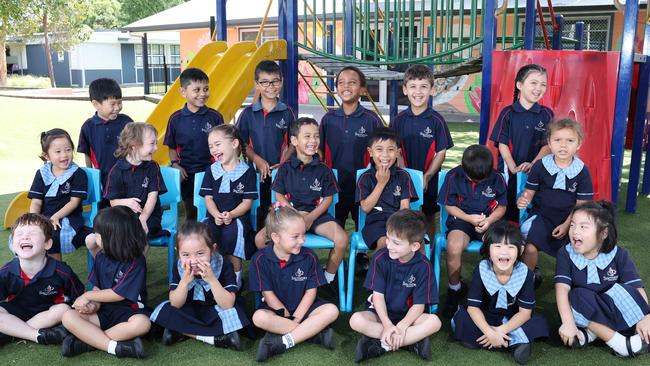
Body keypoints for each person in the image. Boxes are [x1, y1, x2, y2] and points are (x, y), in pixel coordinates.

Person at [256, 117, 347, 286]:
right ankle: (277, 273)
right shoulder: (285, 168)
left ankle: (327, 278)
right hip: (290, 215)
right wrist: (295, 215)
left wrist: (310, 217)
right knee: (260, 239)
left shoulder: (324, 170)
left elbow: (328, 198)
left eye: (316, 136)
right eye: (307, 136)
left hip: (316, 216)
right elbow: (279, 195)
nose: (313, 141)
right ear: (294, 140)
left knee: (341, 239)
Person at [555, 201, 650, 357]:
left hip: (614, 311)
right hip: (582, 313)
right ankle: (621, 344)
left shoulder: (619, 254)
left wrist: (646, 317)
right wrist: (567, 323)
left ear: (603, 233)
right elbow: (561, 288)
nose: (575, 232)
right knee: (577, 295)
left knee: (622, 290)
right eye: (572, 225)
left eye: (583, 227)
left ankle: (591, 335)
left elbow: (636, 288)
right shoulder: (565, 254)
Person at [452, 221, 548, 365]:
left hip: (511, 319)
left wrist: (501, 330)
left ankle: (497, 339)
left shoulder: (526, 274)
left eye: (510, 247)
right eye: (497, 246)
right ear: (488, 249)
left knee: (538, 323)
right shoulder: (482, 269)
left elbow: (525, 313)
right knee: (462, 318)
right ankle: (513, 342)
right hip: (486, 316)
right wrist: (489, 332)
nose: (504, 252)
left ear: (520, 250)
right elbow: (473, 307)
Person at [249, 206, 339, 362]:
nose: (302, 240)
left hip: (306, 309)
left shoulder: (309, 256)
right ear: (276, 237)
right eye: (295, 236)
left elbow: (311, 292)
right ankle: (314, 334)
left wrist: (296, 318)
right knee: (259, 318)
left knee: (331, 310)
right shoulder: (259, 259)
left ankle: (283, 342)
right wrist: (287, 317)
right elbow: (268, 295)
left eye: (303, 235)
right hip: (276, 310)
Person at [349, 210, 440, 362]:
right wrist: (387, 324)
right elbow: (377, 297)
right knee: (356, 320)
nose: (389, 245)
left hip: (409, 316)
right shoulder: (380, 258)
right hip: (380, 313)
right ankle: (410, 342)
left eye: (396, 243)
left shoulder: (424, 266)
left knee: (434, 322)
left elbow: (419, 305)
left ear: (415, 246)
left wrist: (403, 325)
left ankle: (382, 344)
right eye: (388, 238)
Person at [61, 206, 151, 358]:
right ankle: (114, 346)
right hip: (104, 311)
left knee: (143, 324)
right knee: (68, 316)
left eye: (97, 235)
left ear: (114, 238)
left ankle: (88, 342)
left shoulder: (136, 262)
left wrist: (89, 296)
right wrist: (93, 305)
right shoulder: (101, 257)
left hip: (130, 312)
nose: (94, 238)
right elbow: (98, 287)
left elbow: (118, 294)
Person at [517, 118, 593, 287]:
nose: (563, 145)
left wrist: (568, 225)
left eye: (570, 141)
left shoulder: (582, 171)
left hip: (571, 219)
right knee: (529, 247)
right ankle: (527, 281)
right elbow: (529, 193)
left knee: (574, 251)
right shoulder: (540, 166)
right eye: (558, 140)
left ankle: (571, 284)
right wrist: (524, 199)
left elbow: (582, 206)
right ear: (550, 143)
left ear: (578, 144)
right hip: (542, 216)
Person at [150, 220, 248, 350]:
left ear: (212, 250)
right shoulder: (179, 266)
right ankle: (218, 338)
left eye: (200, 253)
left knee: (236, 312)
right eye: (186, 255)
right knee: (165, 310)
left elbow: (227, 304)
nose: (193, 261)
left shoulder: (223, 264)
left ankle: (181, 332)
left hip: (216, 309)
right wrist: (184, 282)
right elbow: (175, 303)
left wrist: (212, 280)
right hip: (189, 309)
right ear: (178, 252)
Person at [438, 144, 507, 318]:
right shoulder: (453, 176)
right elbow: (450, 206)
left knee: (498, 247)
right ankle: (455, 289)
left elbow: (502, 207)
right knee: (453, 247)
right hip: (462, 219)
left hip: (488, 220)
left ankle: (493, 289)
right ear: (464, 168)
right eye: (474, 180)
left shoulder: (497, 177)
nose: (478, 183)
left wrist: (489, 220)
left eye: (482, 181)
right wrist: (469, 219)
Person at [0, 213, 84, 346]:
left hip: (47, 315)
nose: (25, 237)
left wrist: (83, 304)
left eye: (33, 233)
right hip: (16, 313)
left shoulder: (62, 272)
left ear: (47, 243)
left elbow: (79, 299)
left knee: (63, 309)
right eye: (19, 234)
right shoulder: (6, 272)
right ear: (13, 243)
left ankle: (11, 333)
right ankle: (38, 335)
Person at [390, 64, 453, 240]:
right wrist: (405, 173)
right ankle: (402, 251)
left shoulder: (437, 121)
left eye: (423, 86)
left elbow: (441, 152)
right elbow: (395, 150)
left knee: (428, 216)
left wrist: (427, 176)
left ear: (432, 90)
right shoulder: (397, 121)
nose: (418, 92)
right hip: (402, 177)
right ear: (405, 89)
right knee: (402, 215)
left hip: (429, 179)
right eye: (413, 87)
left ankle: (430, 253)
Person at [320, 66, 383, 229]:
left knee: (361, 221)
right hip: (334, 182)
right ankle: (337, 252)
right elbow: (319, 150)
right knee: (336, 220)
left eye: (352, 83)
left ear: (362, 90)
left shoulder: (371, 119)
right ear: (337, 89)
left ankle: (361, 253)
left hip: (362, 182)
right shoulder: (328, 119)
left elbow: (381, 149)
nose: (346, 86)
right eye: (341, 83)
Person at [489, 64, 553, 224]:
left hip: (536, 172)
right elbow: (502, 143)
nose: (539, 88)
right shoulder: (508, 113)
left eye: (543, 84)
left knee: (528, 209)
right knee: (506, 210)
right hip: (508, 172)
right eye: (534, 83)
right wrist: (513, 168)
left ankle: (527, 242)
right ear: (519, 85)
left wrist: (533, 165)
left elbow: (548, 144)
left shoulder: (547, 114)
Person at [237, 60, 296, 228]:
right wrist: (257, 160)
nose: (271, 86)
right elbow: (241, 142)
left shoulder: (288, 112)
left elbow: (294, 142)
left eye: (275, 81)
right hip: (255, 173)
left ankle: (276, 245)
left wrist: (284, 162)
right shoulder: (248, 114)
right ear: (257, 84)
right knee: (258, 210)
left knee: (277, 211)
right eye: (264, 82)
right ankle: (259, 247)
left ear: (282, 82)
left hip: (281, 173)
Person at [200, 124, 257, 289]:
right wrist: (216, 214)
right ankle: (211, 280)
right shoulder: (211, 170)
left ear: (234, 144)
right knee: (207, 237)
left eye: (217, 144)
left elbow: (247, 203)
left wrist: (231, 215)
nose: (213, 149)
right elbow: (208, 198)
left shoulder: (247, 172)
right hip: (213, 217)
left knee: (232, 236)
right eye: (211, 146)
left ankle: (236, 281)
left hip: (237, 219)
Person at [165, 68, 224, 220]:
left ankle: (211, 241)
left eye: (206, 89)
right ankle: (190, 241)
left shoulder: (215, 117)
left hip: (211, 173)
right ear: (183, 92)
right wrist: (175, 164)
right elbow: (171, 147)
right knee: (191, 213)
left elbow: (223, 146)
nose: (202, 94)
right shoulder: (175, 119)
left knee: (212, 211)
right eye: (196, 90)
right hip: (187, 174)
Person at [28, 128, 95, 259]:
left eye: (68, 150)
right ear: (46, 156)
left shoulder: (78, 173)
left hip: (68, 217)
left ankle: (57, 271)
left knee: (51, 235)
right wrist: (33, 218)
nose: (64, 155)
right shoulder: (42, 173)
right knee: (28, 233)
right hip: (44, 217)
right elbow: (36, 201)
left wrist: (56, 217)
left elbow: (74, 202)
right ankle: (39, 270)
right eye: (58, 152)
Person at [356, 128, 417, 252]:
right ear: (370, 152)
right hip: (375, 222)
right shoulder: (365, 177)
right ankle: (381, 270)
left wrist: (398, 228)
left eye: (390, 150)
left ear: (398, 153)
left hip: (398, 220)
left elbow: (404, 207)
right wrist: (381, 183)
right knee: (385, 243)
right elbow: (366, 208)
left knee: (416, 242)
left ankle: (417, 270)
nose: (385, 155)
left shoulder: (404, 176)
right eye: (379, 149)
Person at [104, 122, 167, 241]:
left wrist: (143, 218)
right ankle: (121, 258)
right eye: (152, 144)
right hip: (125, 215)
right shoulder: (116, 171)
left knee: (142, 231)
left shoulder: (153, 167)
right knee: (117, 230)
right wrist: (126, 202)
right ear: (134, 146)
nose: (156, 148)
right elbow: (113, 202)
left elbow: (152, 197)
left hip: (150, 214)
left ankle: (140, 259)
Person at [77, 78, 133, 188]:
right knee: (107, 205)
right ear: (96, 104)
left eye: (120, 102)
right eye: (112, 104)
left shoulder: (127, 122)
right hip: (103, 180)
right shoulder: (88, 127)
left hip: (128, 176)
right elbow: (87, 153)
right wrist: (91, 176)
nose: (117, 108)